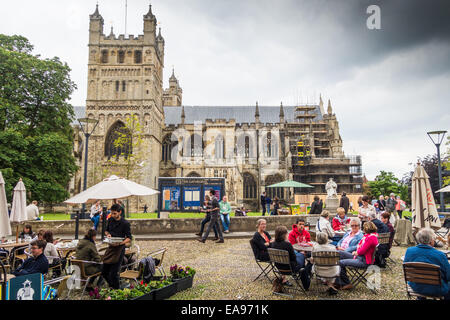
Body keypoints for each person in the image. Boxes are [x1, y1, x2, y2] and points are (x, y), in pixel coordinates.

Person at [403, 228, 450, 299]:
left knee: (421, 280)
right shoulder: (440, 255)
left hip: (416, 286)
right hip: (437, 289)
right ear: (431, 241)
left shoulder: (409, 251)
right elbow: (448, 276)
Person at [337, 221, 379, 290]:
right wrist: (357, 252)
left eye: (363, 228)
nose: (363, 229)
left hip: (364, 261)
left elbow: (362, 251)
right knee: (339, 253)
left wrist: (356, 252)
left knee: (340, 262)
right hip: (360, 257)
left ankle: (346, 283)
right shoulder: (370, 236)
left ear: (366, 229)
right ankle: (337, 280)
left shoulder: (370, 238)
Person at [102, 203, 132, 289]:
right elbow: (106, 231)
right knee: (104, 271)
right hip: (111, 247)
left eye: (114, 213)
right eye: (112, 213)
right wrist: (108, 235)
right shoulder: (110, 220)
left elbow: (129, 238)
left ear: (120, 212)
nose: (113, 215)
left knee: (114, 273)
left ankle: (116, 290)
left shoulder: (125, 223)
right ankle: (113, 286)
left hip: (119, 248)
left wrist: (120, 243)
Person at [271, 225, 311, 290]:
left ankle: (303, 273)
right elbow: (294, 258)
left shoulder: (273, 244)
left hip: (278, 267)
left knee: (299, 255)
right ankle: (305, 283)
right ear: (284, 235)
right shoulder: (287, 244)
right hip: (291, 268)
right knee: (302, 257)